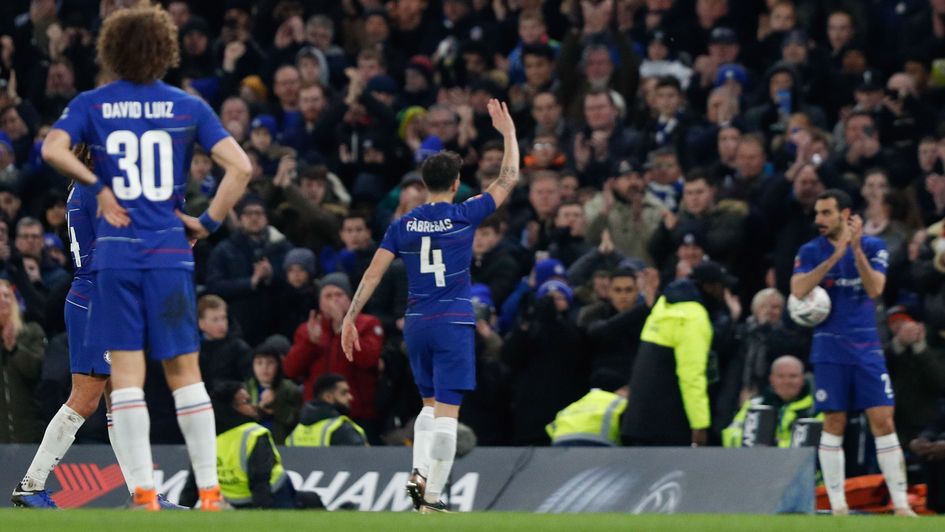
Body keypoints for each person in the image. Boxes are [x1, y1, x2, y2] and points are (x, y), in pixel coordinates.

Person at [38, 5, 252, 511]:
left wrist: (96, 186)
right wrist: (208, 222)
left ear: (109, 51)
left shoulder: (94, 104)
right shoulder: (186, 105)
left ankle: (146, 497)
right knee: (184, 372)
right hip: (167, 256)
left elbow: (51, 148)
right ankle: (210, 493)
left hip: (114, 262)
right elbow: (240, 168)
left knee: (126, 376)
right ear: (165, 50)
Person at [341, 99, 519, 513]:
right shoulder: (465, 214)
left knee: (428, 406)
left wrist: (350, 317)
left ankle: (419, 474)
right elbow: (508, 179)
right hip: (454, 320)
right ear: (456, 183)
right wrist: (507, 133)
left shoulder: (403, 224)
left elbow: (372, 273)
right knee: (448, 413)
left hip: (416, 323)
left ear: (423, 184)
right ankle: (431, 499)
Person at [12, 146, 179, 509]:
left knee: (120, 399)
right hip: (99, 302)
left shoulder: (82, 187)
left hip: (95, 297)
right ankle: (31, 484)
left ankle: (143, 494)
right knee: (84, 398)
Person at [790, 189, 913, 516]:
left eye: (826, 213)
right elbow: (799, 290)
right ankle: (838, 505)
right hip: (829, 347)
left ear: (845, 215)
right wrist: (832, 259)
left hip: (867, 348)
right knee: (834, 421)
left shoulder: (874, 247)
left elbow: (875, 289)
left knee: (883, 420)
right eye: (817, 213)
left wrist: (855, 249)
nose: (819, 220)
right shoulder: (810, 250)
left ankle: (901, 505)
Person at [621, 261, 733, 447]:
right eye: (721, 287)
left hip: (637, 421)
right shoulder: (693, 317)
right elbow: (691, 375)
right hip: (667, 426)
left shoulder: (665, 306)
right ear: (710, 286)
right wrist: (700, 424)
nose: (723, 294)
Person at [722, 355, 818, 448]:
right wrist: (759, 443)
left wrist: (775, 446)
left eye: (793, 376)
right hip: (757, 460)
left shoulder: (815, 409)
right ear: (771, 379)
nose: (787, 381)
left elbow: (814, 444)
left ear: (802, 379)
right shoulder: (755, 404)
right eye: (780, 376)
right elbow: (730, 434)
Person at [545, 369, 628, 447]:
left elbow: (551, 428)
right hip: (599, 446)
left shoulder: (576, 404)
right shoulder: (620, 402)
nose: (628, 393)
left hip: (560, 446)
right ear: (618, 389)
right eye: (625, 389)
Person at [285, 373, 367, 446]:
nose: (350, 397)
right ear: (328, 397)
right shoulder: (343, 430)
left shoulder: (296, 430)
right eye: (344, 393)